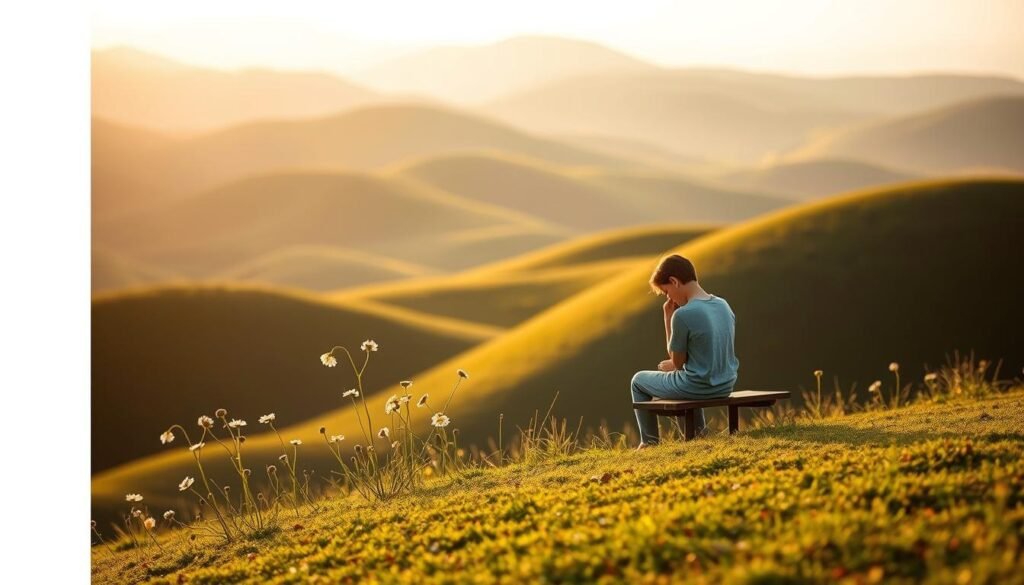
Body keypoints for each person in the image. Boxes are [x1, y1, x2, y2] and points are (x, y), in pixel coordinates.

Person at [631, 254, 739, 449]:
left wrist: (667, 318)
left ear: (674, 281)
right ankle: (697, 434)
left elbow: (677, 361)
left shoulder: (683, 314)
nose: (668, 298)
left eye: (666, 291)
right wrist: (675, 365)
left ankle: (648, 443)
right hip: (725, 384)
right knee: (684, 376)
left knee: (638, 381)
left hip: (698, 386)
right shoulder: (723, 305)